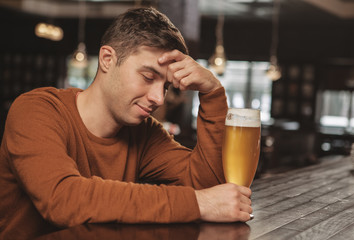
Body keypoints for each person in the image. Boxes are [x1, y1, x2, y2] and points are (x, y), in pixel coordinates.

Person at [0, 7, 252, 239]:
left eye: (165, 85)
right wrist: (198, 204)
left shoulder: (144, 132)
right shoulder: (36, 110)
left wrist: (212, 94)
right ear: (107, 59)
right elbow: (62, 200)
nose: (158, 98)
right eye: (148, 76)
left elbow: (209, 187)